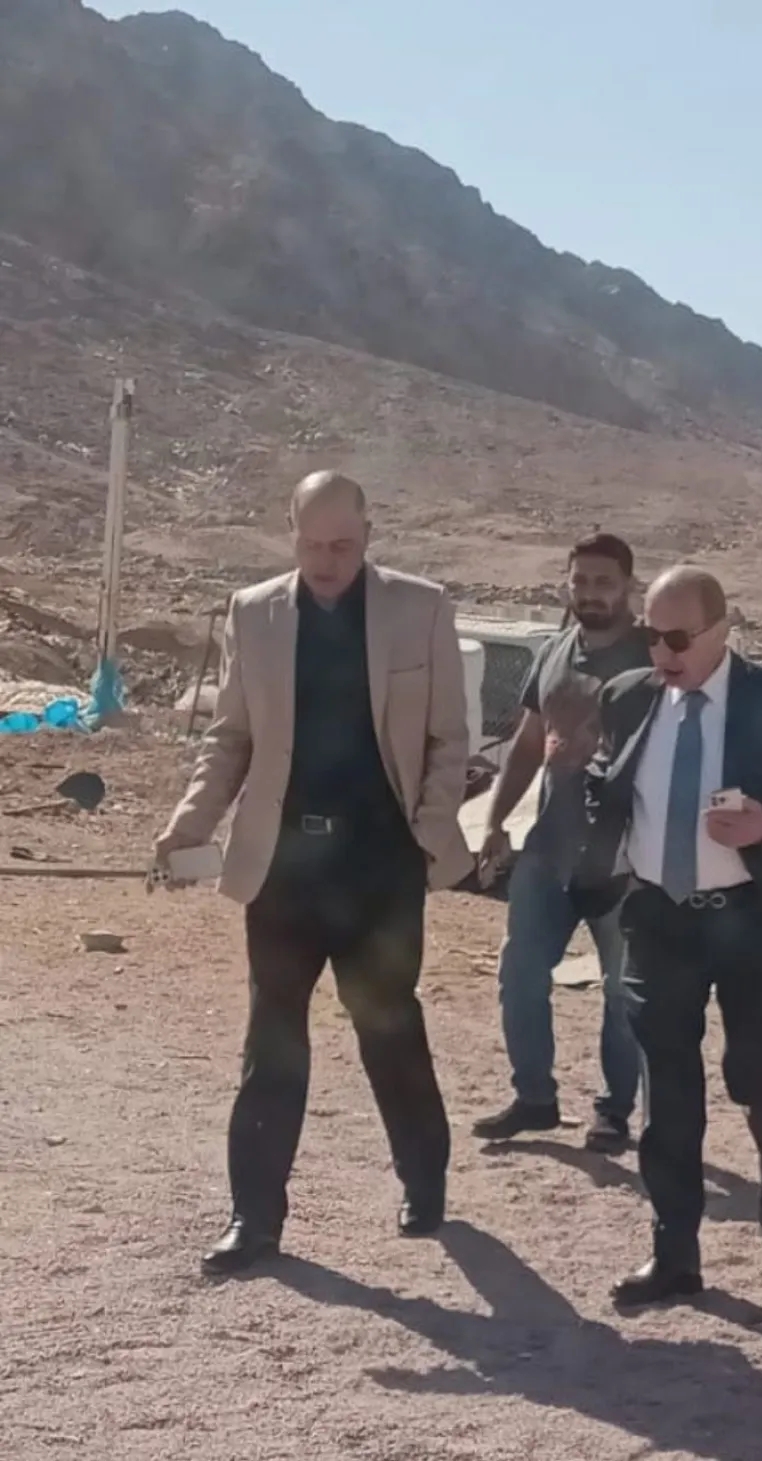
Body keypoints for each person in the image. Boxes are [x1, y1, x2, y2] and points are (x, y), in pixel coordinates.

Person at [153, 471, 472, 1275]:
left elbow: (448, 742)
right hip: (285, 865)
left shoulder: (422, 608)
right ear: (289, 532)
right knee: (272, 1038)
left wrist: (425, 838)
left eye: (343, 545)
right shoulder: (253, 611)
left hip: (380, 866)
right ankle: (253, 1217)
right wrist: (190, 823)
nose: (327, 561)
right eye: (311, 544)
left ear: (369, 535)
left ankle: (423, 1176)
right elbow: (230, 737)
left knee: (387, 1025)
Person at [576, 565, 762, 1307]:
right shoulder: (627, 697)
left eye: (678, 637)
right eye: (650, 635)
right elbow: (609, 778)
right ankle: (675, 1255)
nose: (661, 651)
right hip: (658, 919)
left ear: (722, 630)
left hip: (750, 919)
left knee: (757, 1077)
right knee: (669, 1093)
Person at [472, 533, 651, 1154]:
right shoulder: (553, 651)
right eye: (580, 581)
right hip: (549, 847)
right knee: (520, 973)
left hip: (624, 857)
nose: (590, 594)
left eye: (604, 583)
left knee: (621, 991)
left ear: (628, 586)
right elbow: (528, 742)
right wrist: (496, 820)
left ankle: (614, 1111)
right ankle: (534, 1099)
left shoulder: (653, 656)